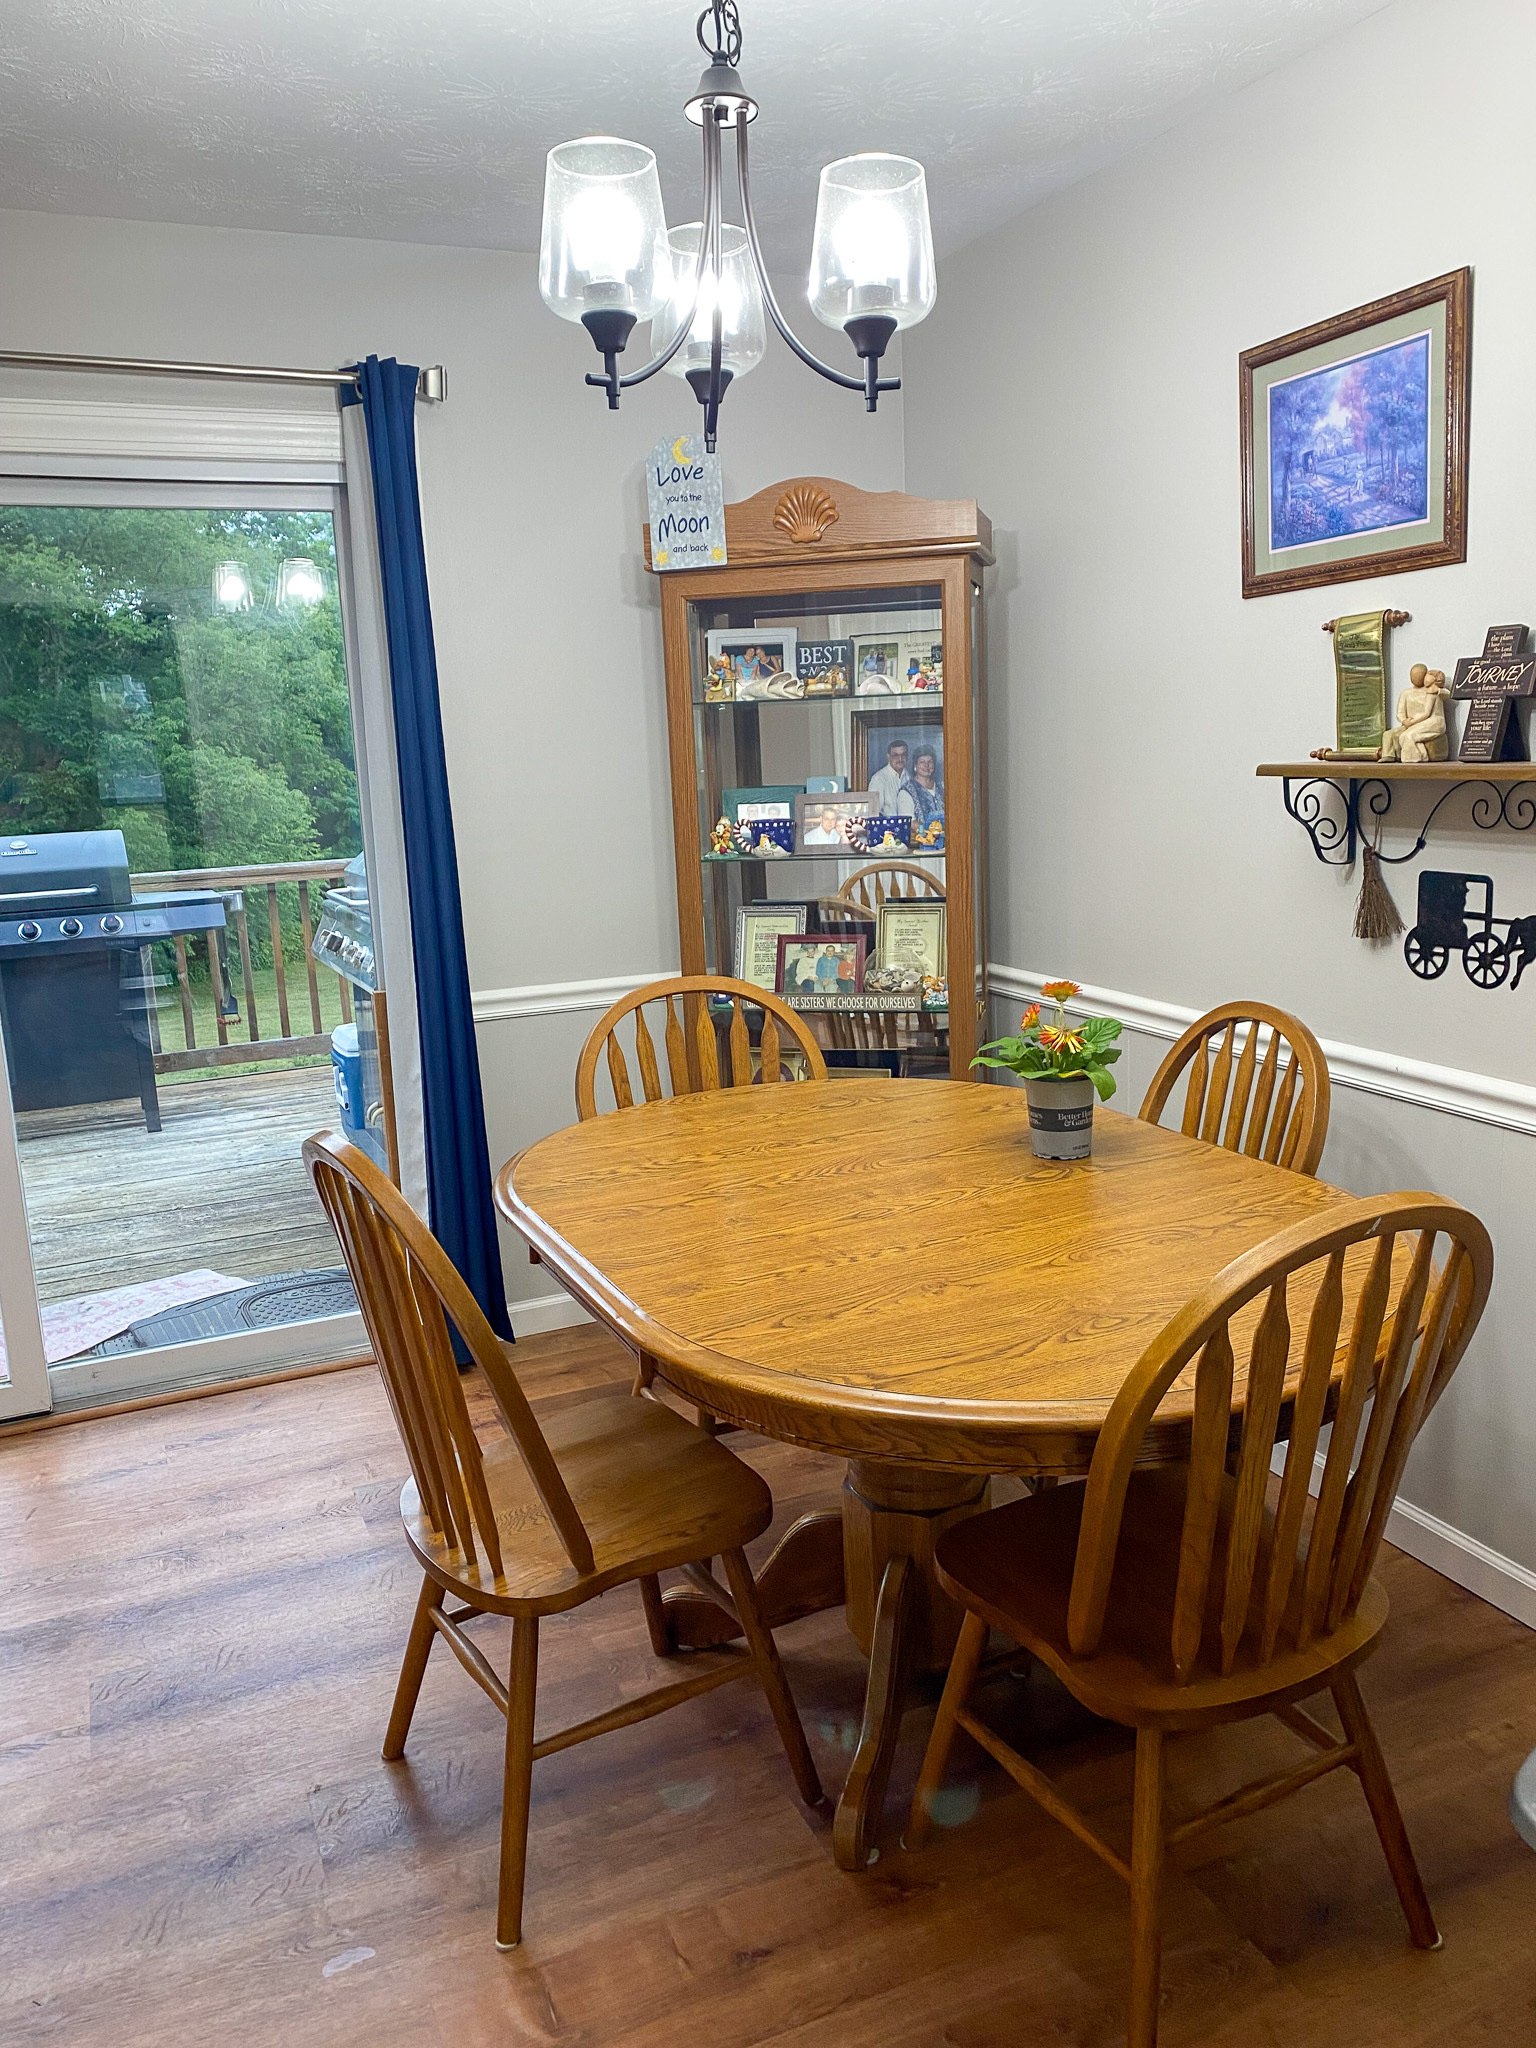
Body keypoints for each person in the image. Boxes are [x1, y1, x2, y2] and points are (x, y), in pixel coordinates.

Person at [868, 740, 917, 817]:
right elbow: (874, 812)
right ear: (888, 757)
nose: (900, 759)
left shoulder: (909, 777)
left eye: (903, 755)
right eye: (895, 755)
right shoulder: (879, 779)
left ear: (907, 757)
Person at [908, 745, 944, 832]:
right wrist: (930, 834)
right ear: (915, 765)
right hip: (922, 841)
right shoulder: (907, 791)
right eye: (922, 762)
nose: (926, 765)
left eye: (930, 761)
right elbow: (911, 823)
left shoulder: (942, 786)